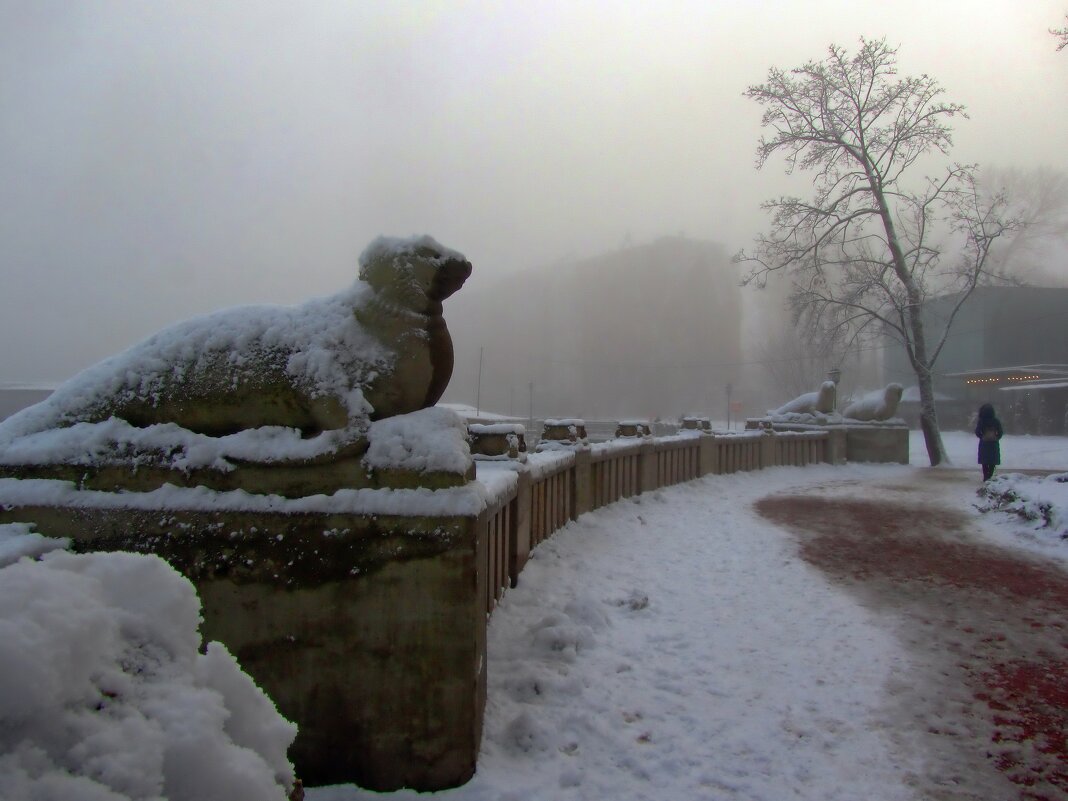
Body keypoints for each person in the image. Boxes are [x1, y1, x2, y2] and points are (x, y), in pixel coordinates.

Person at [975, 403, 1003, 481]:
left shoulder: (981, 421)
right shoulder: (996, 421)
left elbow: (977, 431)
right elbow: (1000, 432)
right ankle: (990, 476)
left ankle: (985, 477)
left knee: (985, 461)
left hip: (984, 443)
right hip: (993, 444)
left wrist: (982, 437)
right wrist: (996, 437)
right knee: (992, 461)